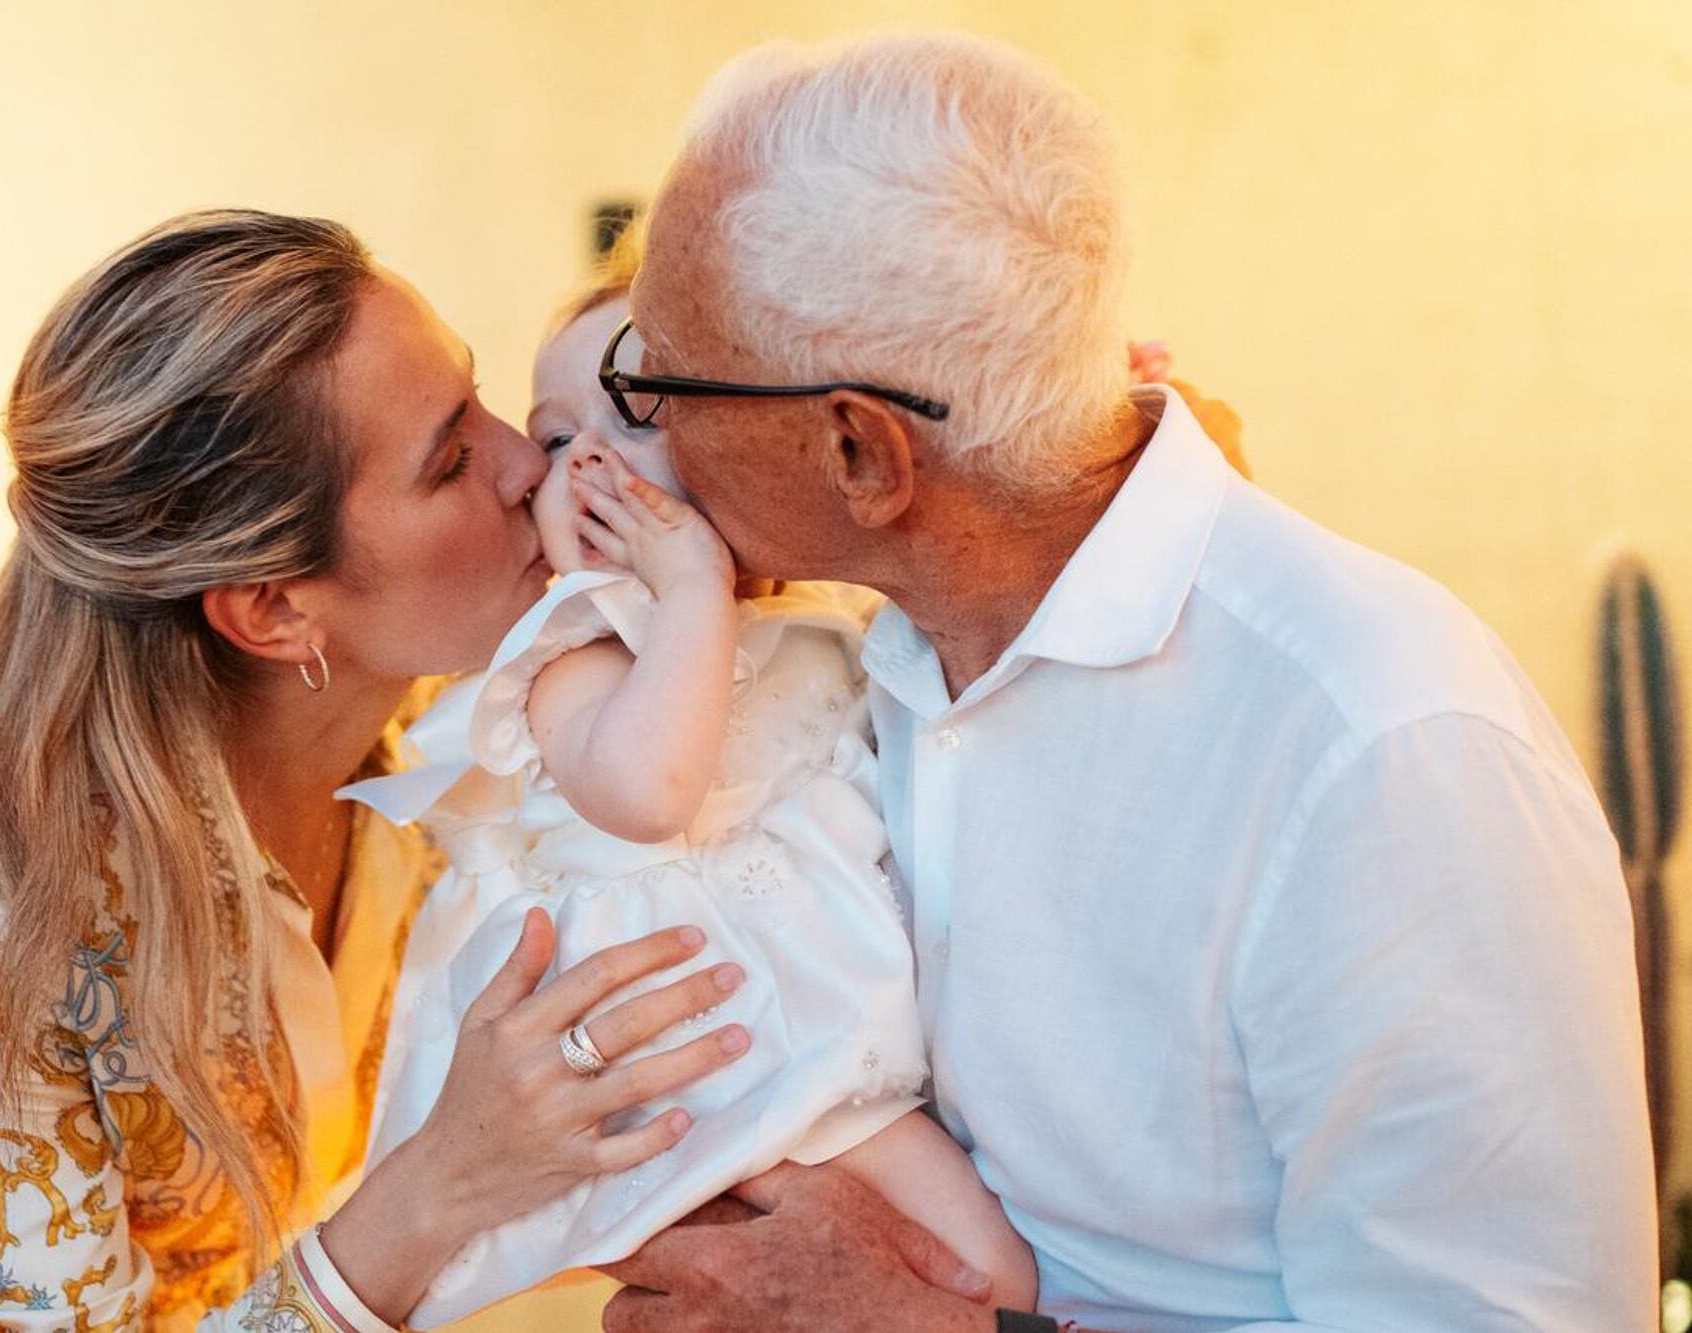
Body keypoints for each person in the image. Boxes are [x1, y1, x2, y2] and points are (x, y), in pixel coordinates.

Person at [600, 32, 1655, 1332]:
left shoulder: (1380, 745)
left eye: (654, 379)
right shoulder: (873, 649)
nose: (633, 433)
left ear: (860, 452)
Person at [0, 209, 757, 1333]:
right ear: (273, 611)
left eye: (472, 398)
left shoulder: (480, 721)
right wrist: (445, 1177)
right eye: (450, 458)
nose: (527, 461)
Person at [340, 255, 1036, 1326]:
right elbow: (649, 793)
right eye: (557, 438)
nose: (581, 463)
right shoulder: (571, 656)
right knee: (989, 1276)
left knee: (986, 1278)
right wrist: (690, 590)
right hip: (713, 1062)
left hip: (845, 1044)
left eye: (636, 414)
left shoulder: (816, 623)